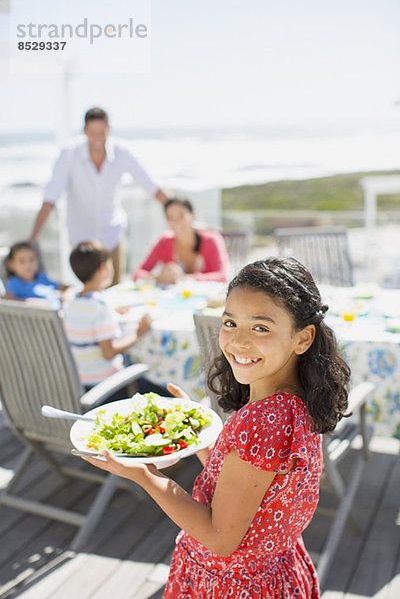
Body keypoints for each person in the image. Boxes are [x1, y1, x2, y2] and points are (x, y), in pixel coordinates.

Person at [80, 256, 351, 597]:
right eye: (230, 323)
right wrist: (200, 438)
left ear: (303, 338)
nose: (238, 341)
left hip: (229, 584)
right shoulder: (294, 403)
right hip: (275, 574)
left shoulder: (262, 422)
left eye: (261, 327)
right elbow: (252, 488)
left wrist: (143, 475)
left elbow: (220, 538)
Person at [29, 107, 168, 285]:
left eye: (102, 132)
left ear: (108, 130)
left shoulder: (121, 152)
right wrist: (32, 238)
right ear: (85, 131)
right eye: (92, 132)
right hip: (83, 240)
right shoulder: (69, 154)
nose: (98, 138)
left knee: (115, 291)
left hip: (112, 235)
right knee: (89, 292)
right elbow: (51, 197)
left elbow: (151, 186)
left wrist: (177, 211)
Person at [63, 240, 153, 394]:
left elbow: (87, 317)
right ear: (103, 269)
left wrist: (112, 311)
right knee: (155, 385)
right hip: (106, 387)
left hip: (81, 382)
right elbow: (109, 352)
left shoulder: (71, 300)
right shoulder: (100, 306)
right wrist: (138, 334)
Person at [133, 197, 229, 284]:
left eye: (181, 216)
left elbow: (223, 276)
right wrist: (158, 277)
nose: (176, 222)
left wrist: (186, 278)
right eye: (170, 217)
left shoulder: (211, 240)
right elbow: (137, 274)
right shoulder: (164, 241)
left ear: (192, 215)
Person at [3, 241, 69, 309]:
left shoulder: (42, 278)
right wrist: (32, 303)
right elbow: (6, 300)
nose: (28, 265)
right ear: (10, 264)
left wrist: (67, 296)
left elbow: (66, 288)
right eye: (22, 261)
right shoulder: (15, 283)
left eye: (31, 259)